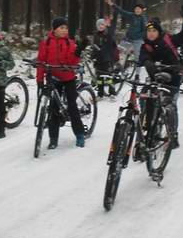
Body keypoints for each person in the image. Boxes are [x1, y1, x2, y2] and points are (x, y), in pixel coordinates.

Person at [138, 7, 183, 150]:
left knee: (169, 105)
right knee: (145, 99)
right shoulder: (145, 45)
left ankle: (172, 135)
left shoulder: (168, 40)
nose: (151, 34)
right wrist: (147, 62)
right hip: (155, 78)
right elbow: (143, 57)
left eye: (154, 31)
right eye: (149, 31)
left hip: (172, 77)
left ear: (158, 31)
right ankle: (150, 130)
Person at [36, 17, 88, 148]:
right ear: (54, 29)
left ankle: (80, 134)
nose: (65, 30)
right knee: (53, 108)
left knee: (72, 106)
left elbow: (72, 62)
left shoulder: (70, 43)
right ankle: (53, 139)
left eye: (66, 28)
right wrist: (40, 80)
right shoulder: (46, 43)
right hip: (53, 77)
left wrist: (78, 51)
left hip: (68, 78)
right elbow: (41, 62)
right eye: (61, 28)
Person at [104, 0, 147, 65]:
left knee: (137, 58)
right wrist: (111, 4)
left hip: (137, 40)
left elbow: (145, 31)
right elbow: (121, 11)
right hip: (128, 38)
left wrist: (137, 36)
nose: (137, 10)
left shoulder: (143, 19)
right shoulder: (132, 15)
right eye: (136, 9)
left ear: (141, 10)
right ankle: (119, 67)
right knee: (120, 52)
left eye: (139, 9)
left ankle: (136, 72)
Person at [92, 14, 120, 97]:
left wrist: (110, 55)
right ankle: (100, 93)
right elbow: (94, 47)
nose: (101, 26)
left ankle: (112, 92)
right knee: (99, 77)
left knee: (108, 77)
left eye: (102, 25)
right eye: (99, 25)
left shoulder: (108, 34)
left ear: (105, 26)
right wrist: (93, 56)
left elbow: (111, 46)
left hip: (107, 59)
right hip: (99, 59)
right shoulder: (96, 35)